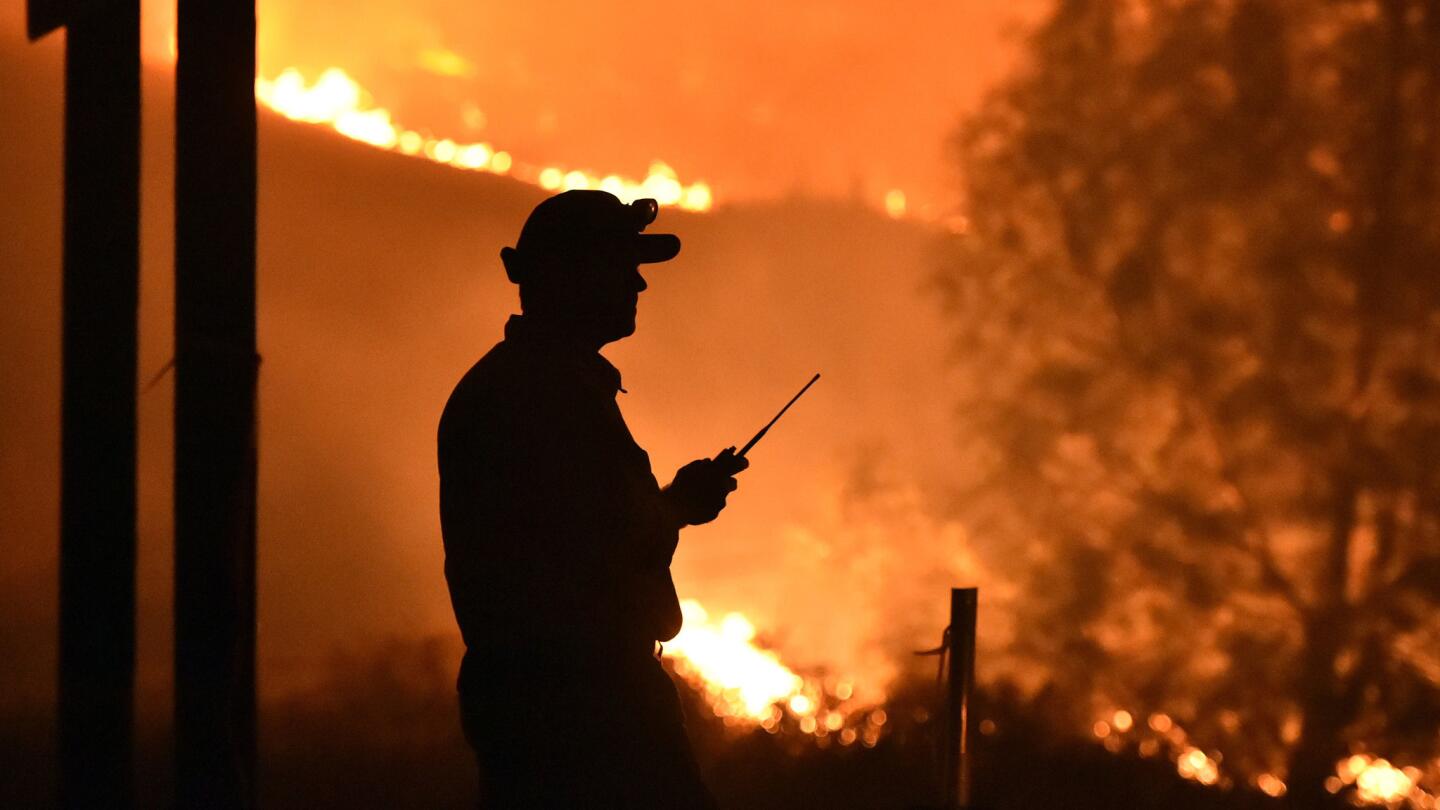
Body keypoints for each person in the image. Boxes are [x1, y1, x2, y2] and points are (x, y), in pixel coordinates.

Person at [438, 190, 745, 808]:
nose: (639, 284)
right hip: (580, 712)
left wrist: (674, 505)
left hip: (561, 705)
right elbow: (592, 547)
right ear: (567, 275)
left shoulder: (536, 385)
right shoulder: (541, 396)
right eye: (620, 265)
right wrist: (679, 506)